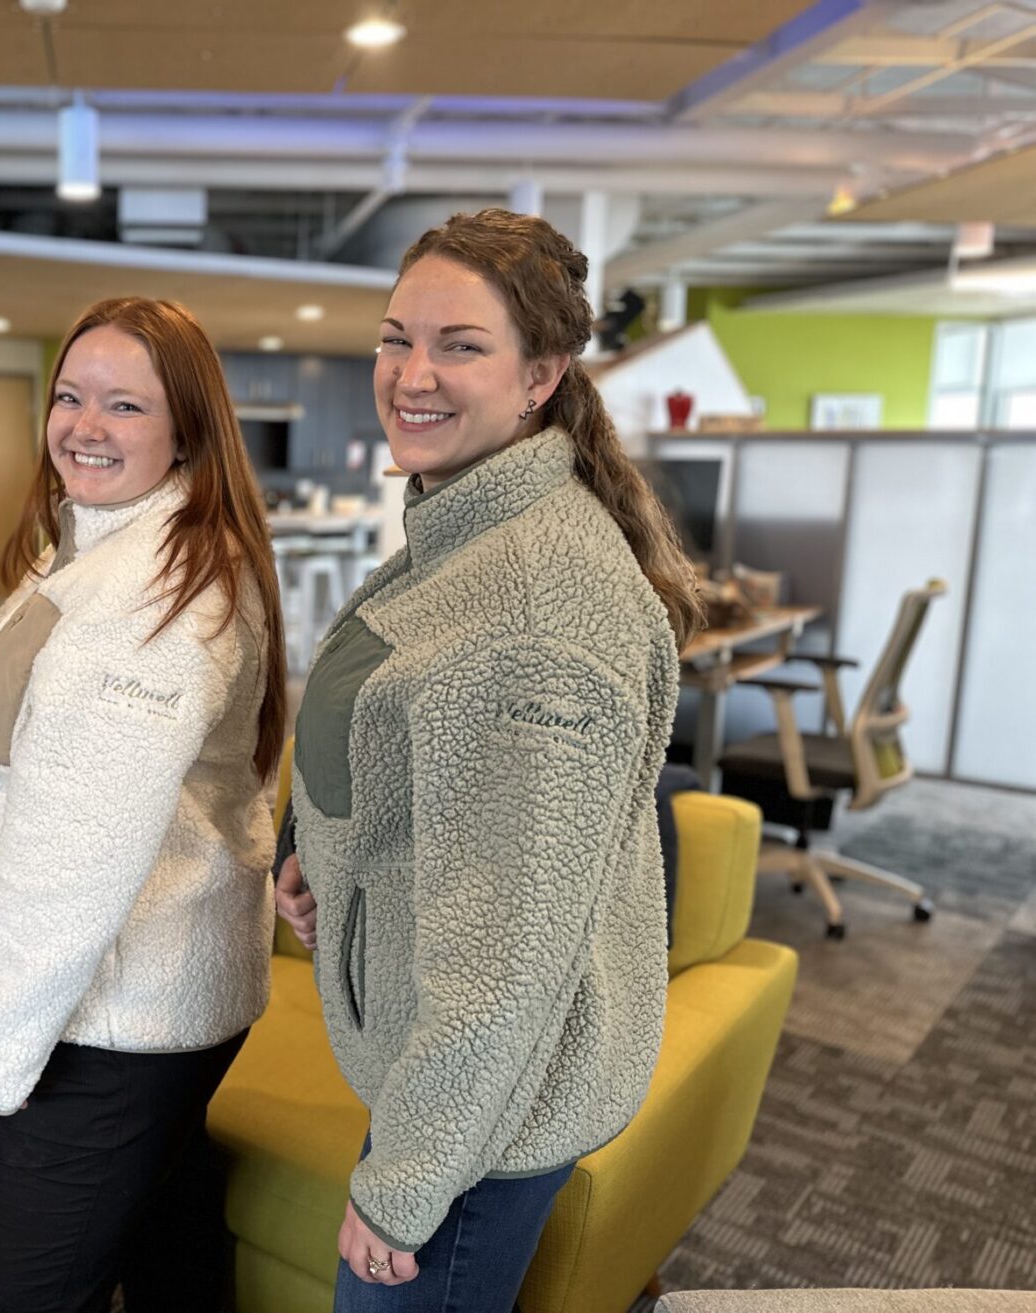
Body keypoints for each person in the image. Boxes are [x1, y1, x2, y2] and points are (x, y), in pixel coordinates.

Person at [273, 208, 702, 1312]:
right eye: (394, 336)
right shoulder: (461, 529)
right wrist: (320, 852)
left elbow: (505, 958)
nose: (411, 373)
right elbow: (411, 755)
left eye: (459, 344)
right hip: (451, 1073)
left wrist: (404, 1185)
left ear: (539, 376)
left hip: (473, 1114)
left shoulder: (531, 610)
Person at [0, 297, 287, 1312]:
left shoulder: (154, 595)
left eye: (124, 405)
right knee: (167, 1247)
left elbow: (74, 852)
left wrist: (0, 1049)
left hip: (102, 1015)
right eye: (69, 396)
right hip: (150, 995)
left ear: (186, 428)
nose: (83, 426)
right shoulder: (112, 545)